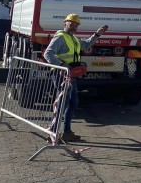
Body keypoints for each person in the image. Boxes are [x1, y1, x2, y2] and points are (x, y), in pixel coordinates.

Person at [44, 13, 108, 142]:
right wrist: (61, 65)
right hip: (61, 75)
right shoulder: (60, 37)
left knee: (72, 103)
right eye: (71, 23)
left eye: (75, 25)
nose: (73, 26)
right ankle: (53, 132)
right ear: (65, 23)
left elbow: (86, 45)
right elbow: (48, 53)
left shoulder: (73, 39)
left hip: (71, 76)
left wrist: (97, 34)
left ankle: (66, 132)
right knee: (63, 103)